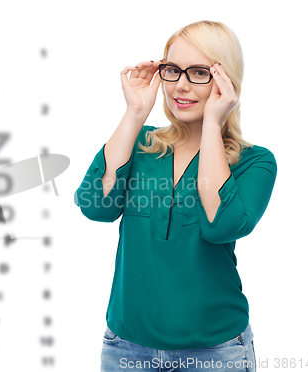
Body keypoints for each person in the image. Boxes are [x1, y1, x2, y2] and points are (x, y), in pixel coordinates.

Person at [74, 20, 277, 372]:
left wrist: (213, 124)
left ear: (226, 80)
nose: (181, 85)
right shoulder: (140, 143)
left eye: (199, 72)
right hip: (126, 348)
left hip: (217, 352)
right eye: (173, 70)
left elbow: (220, 226)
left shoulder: (255, 161)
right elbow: (96, 206)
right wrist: (135, 113)